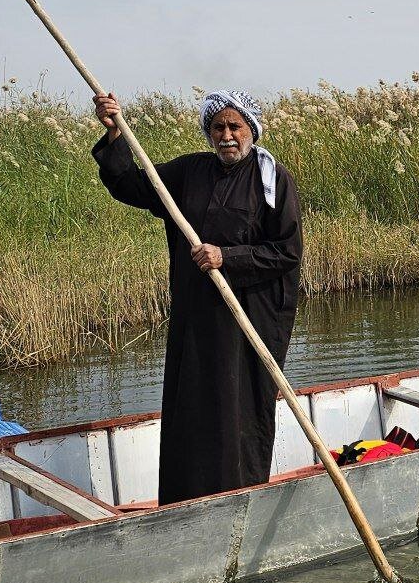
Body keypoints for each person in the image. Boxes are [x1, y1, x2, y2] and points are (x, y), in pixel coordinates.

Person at [92, 89, 303, 505]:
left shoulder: (274, 180)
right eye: (217, 127)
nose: (226, 135)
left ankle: (239, 496)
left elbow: (286, 251)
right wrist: (115, 131)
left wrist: (227, 256)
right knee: (192, 407)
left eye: (234, 126)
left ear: (251, 130)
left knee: (237, 409)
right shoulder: (190, 172)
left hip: (248, 320)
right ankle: (185, 501)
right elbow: (131, 185)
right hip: (196, 317)